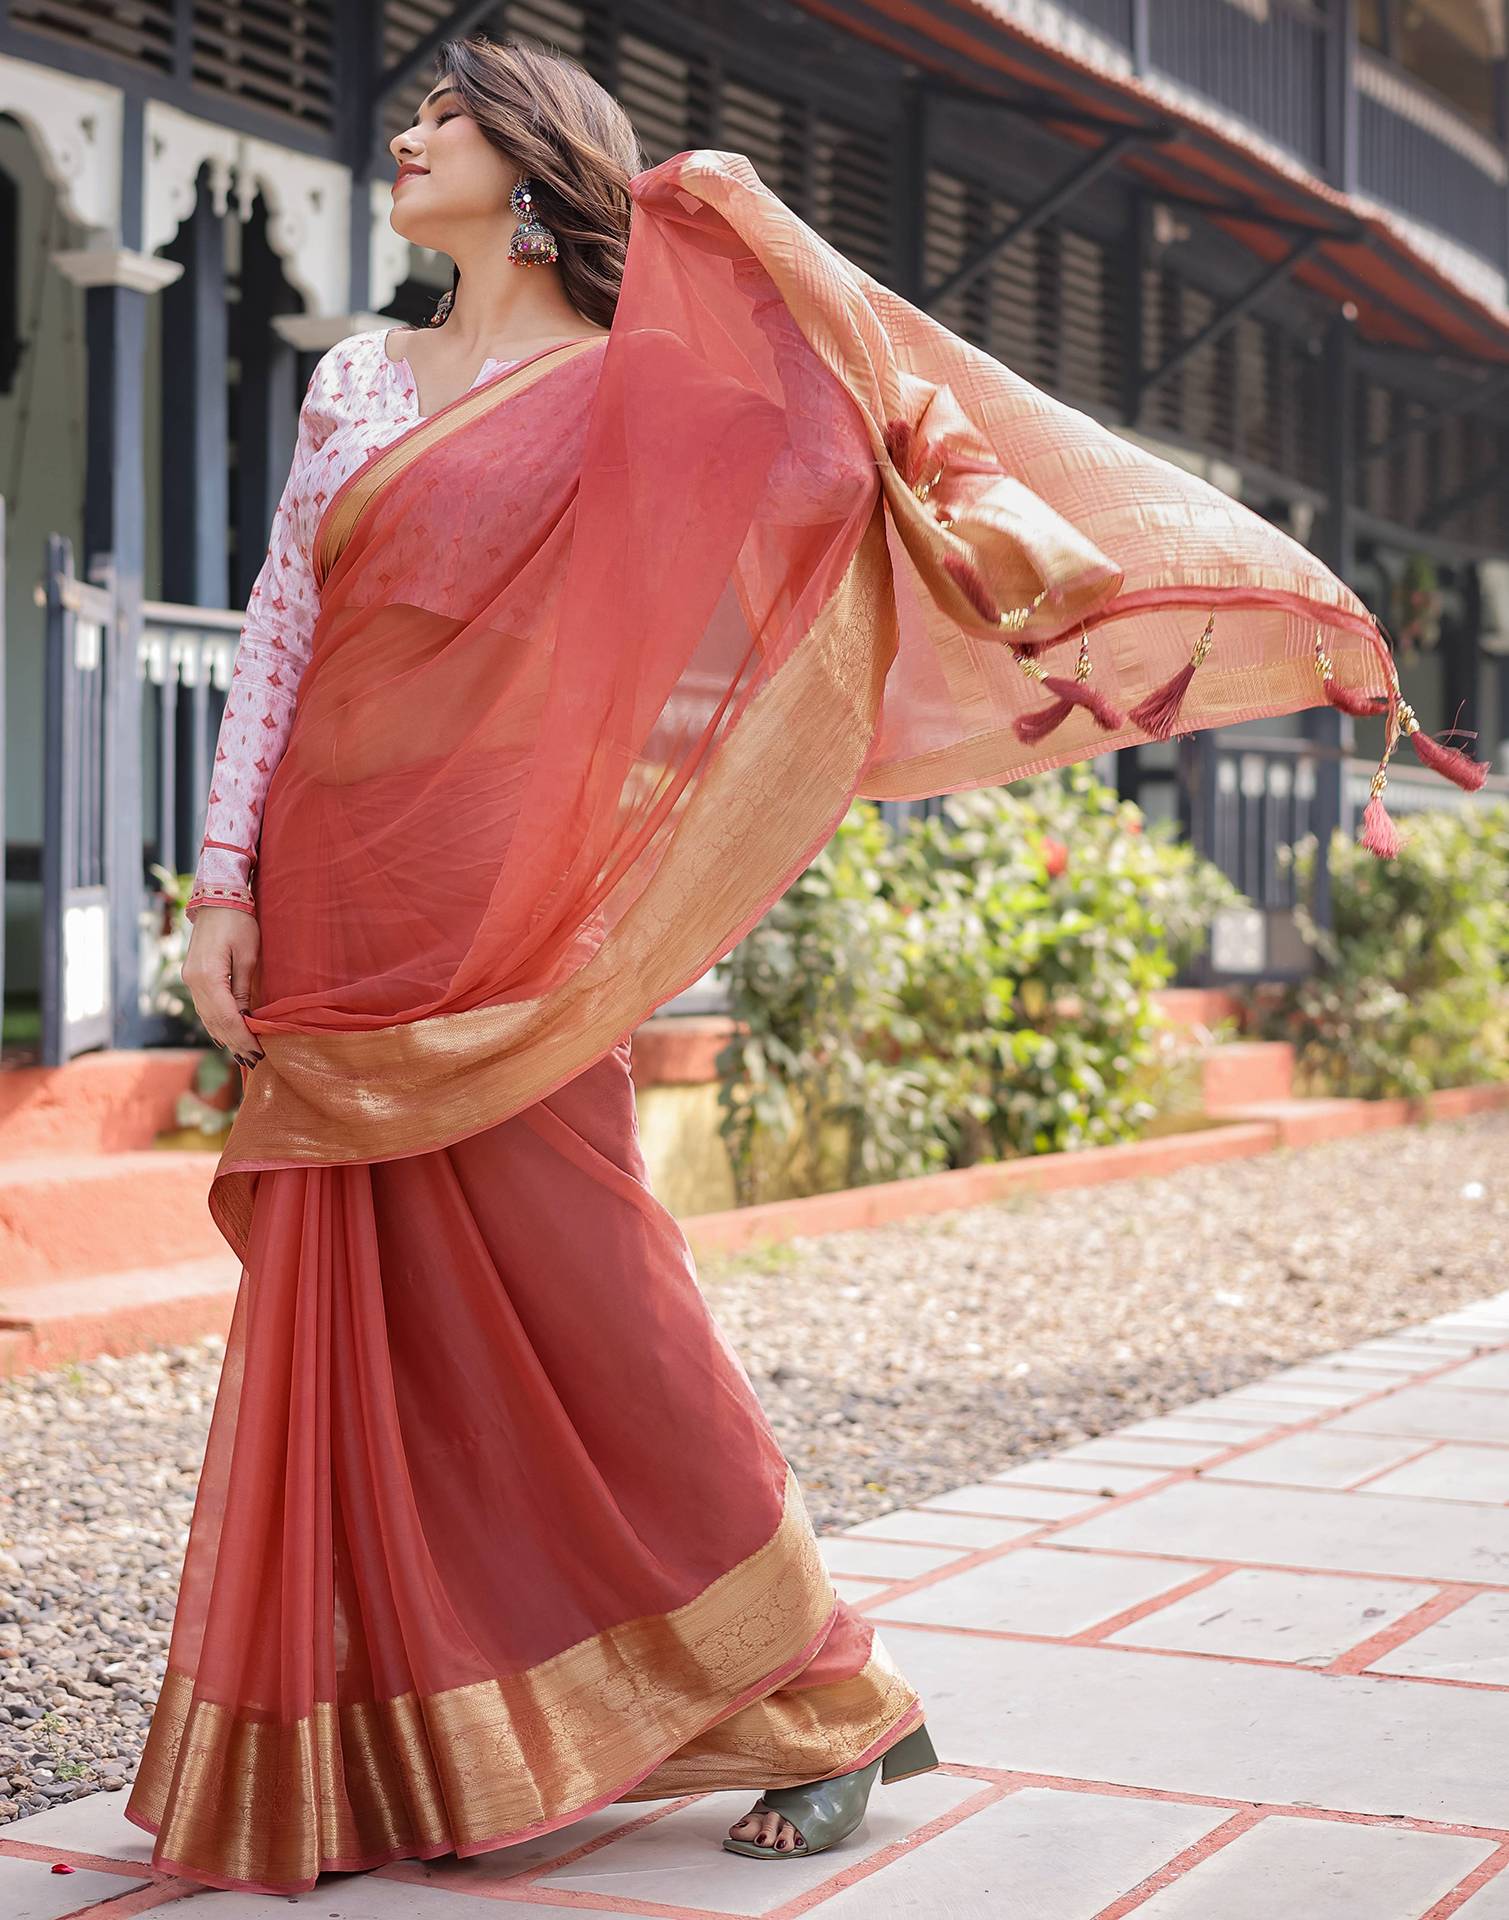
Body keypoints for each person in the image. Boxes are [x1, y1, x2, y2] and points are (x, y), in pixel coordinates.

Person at [125, 26, 1474, 1904]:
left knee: (584, 1284)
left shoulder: (622, 389)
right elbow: (283, 625)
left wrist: (748, 240)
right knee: (387, 1306)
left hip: (506, 901)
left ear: (530, 166)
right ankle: (416, 1732)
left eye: (444, 111)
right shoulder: (356, 379)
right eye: (414, 102)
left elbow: (837, 445)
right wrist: (221, 879)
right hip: (339, 881)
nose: (406, 129)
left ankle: (829, 1693)